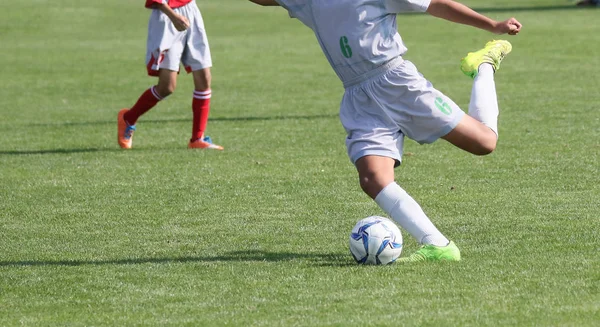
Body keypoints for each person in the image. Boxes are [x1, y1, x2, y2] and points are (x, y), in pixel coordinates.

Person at [247, 0, 521, 262]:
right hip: (358, 96)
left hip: (397, 83)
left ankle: (483, 65)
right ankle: (438, 245)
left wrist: (493, 25)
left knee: (485, 142)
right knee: (373, 178)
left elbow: (436, 4)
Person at [117, 0, 223, 150]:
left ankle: (197, 139)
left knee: (204, 77)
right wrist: (173, 16)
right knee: (167, 87)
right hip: (167, 17)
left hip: (191, 11)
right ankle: (128, 118)